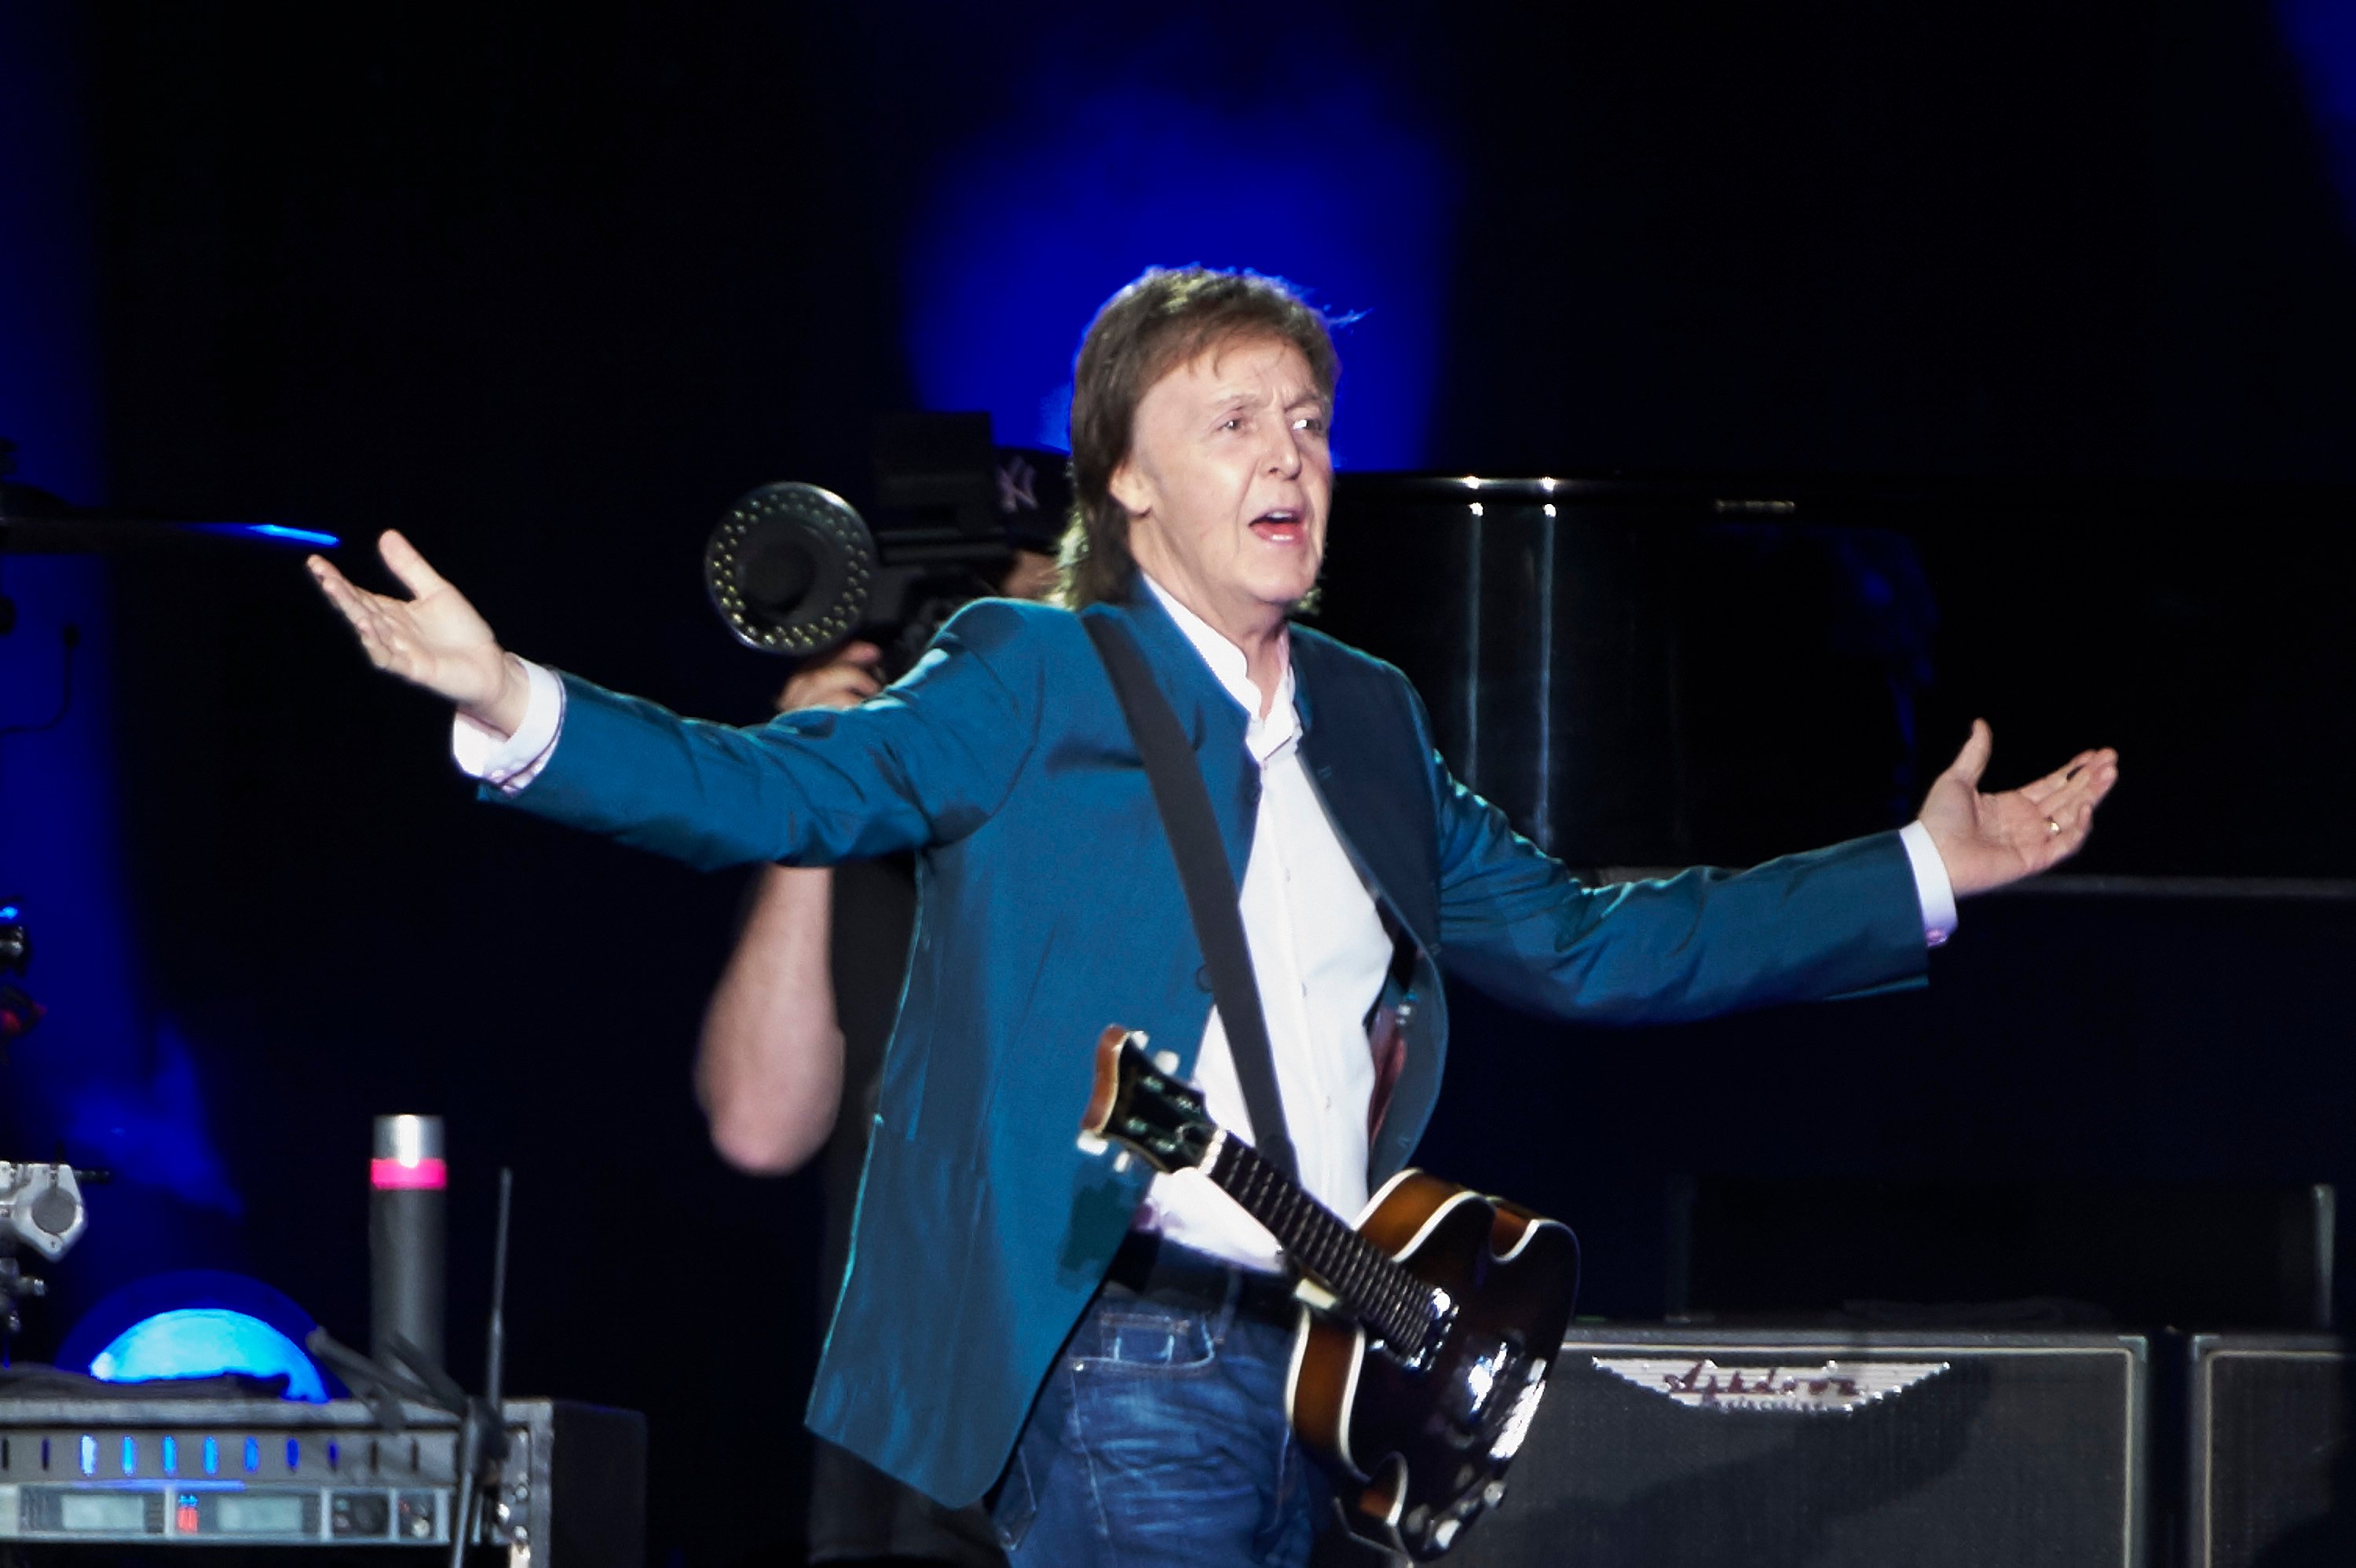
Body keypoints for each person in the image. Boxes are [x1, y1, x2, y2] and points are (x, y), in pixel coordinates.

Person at [307, 266, 2118, 1568]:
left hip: (1338, 1363)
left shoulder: (1372, 717)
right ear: (1129, 482)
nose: (1292, 455)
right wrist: (515, 701)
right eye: (1235, 419)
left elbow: (1588, 941)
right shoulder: (1031, 667)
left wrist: (1917, 870)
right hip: (1123, 1347)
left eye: (1311, 423)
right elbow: (785, 794)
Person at [698, 473, 1059, 1568]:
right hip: (896, 1498)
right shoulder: (869, 851)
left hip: (1122, 1473)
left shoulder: (1159, 823)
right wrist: (810, 785)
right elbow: (759, 1124)